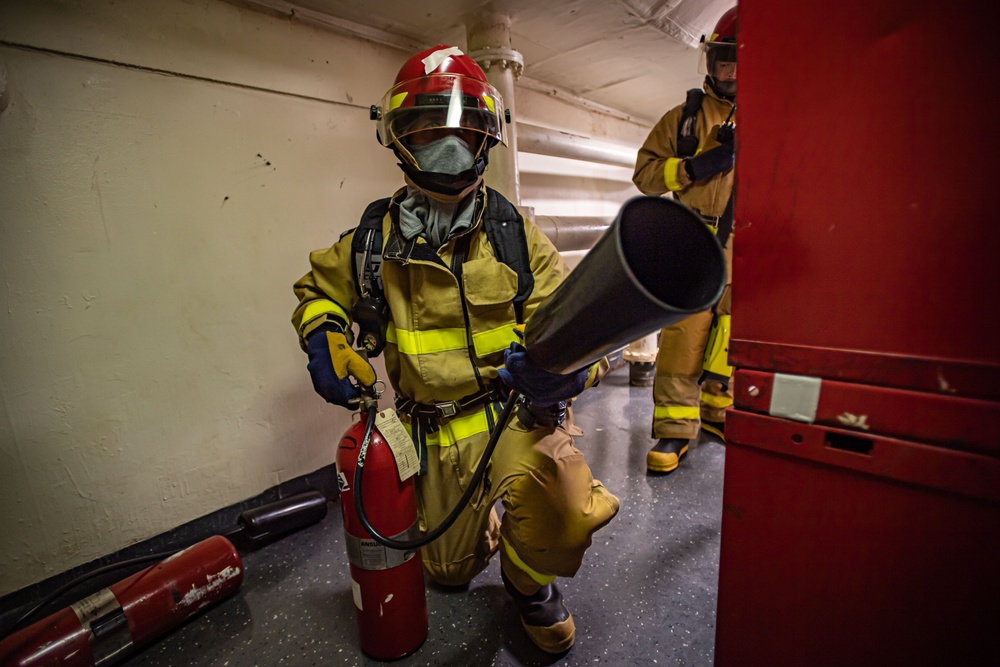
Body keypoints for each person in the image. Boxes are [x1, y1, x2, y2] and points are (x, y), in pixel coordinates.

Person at [291, 45, 619, 654]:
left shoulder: (516, 235)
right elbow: (318, 293)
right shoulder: (372, 238)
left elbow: (586, 329)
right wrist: (326, 337)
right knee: (446, 573)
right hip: (425, 431)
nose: (447, 146)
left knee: (563, 516)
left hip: (514, 416)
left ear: (484, 137)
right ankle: (490, 523)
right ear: (397, 137)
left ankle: (529, 583)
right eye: (426, 128)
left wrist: (566, 375)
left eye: (461, 130)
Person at [632, 7, 738, 474]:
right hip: (695, 239)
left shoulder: (777, 114)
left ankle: (718, 416)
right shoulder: (684, 119)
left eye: (737, 61)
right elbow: (645, 174)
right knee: (682, 338)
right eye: (721, 60)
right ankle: (673, 434)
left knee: (732, 338)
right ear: (710, 61)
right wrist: (693, 168)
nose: (728, 71)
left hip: (747, 244)